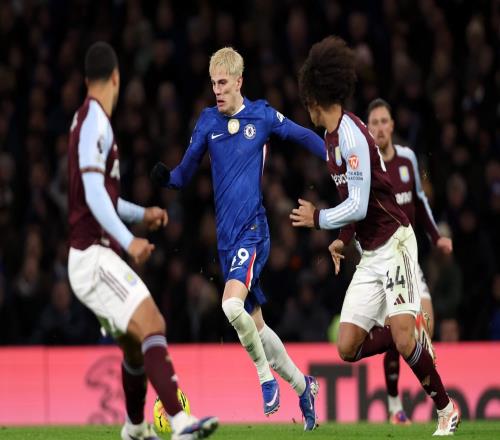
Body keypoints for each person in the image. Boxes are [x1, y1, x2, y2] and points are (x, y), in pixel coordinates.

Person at [290, 36, 460, 436]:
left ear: (315, 98)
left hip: (395, 241)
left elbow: (359, 204)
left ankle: (446, 408)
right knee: (346, 347)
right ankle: (408, 332)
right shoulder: (331, 139)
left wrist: (319, 219)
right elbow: (353, 199)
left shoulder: (351, 136)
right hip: (369, 254)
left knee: (403, 340)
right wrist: (342, 238)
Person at [151, 47, 323, 430]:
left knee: (230, 306)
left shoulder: (261, 115)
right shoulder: (207, 122)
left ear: (239, 81)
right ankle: (303, 386)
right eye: (213, 83)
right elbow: (184, 172)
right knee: (256, 327)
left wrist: (334, 154)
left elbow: (300, 134)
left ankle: (266, 381)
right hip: (227, 241)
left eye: (223, 83)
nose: (217, 90)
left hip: (253, 231)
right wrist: (166, 179)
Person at [67, 41, 218, 440]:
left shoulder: (85, 120)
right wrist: (128, 239)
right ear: (116, 78)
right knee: (153, 321)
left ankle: (134, 428)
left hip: (91, 256)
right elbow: (93, 194)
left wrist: (140, 214)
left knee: (135, 346)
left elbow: (104, 196)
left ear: (88, 79)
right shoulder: (96, 121)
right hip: (92, 256)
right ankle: (181, 423)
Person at [364, 98, 453, 424]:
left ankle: (431, 402)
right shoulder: (365, 166)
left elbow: (420, 200)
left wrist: (436, 237)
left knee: (425, 326)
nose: (379, 128)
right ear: (367, 129)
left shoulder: (407, 159)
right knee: (397, 330)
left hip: (409, 258)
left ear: (392, 125)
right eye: (373, 123)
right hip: (382, 263)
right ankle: (393, 404)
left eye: (384, 121)